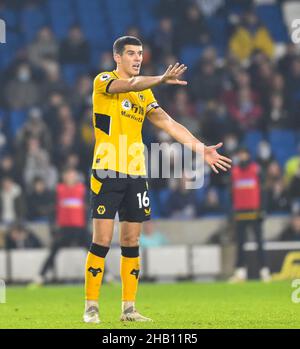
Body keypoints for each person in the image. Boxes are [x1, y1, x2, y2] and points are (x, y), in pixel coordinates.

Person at [83, 36, 232, 324]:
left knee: (132, 239)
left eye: (140, 53)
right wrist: (161, 78)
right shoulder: (104, 80)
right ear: (117, 57)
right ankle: (91, 306)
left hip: (137, 173)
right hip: (107, 171)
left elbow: (168, 123)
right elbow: (129, 84)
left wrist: (200, 148)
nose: (137, 58)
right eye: (131, 54)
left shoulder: (145, 94)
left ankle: (128, 309)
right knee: (101, 239)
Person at [33, 167, 89, 284]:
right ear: (64, 177)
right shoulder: (58, 190)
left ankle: (105, 275)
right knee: (53, 251)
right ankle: (40, 276)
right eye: (68, 175)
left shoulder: (82, 190)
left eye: (72, 175)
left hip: (79, 228)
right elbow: (53, 209)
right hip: (64, 228)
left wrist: (87, 224)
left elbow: (87, 208)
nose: (70, 177)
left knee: (94, 251)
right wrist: (53, 226)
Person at [229, 147, 271, 283]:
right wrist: (231, 212)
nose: (242, 157)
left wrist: (263, 209)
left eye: (244, 154)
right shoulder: (234, 172)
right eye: (240, 154)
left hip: (254, 211)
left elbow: (263, 190)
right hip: (240, 212)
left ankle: (264, 270)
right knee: (240, 243)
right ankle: (240, 272)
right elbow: (231, 194)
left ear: (248, 155)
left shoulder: (256, 170)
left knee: (259, 242)